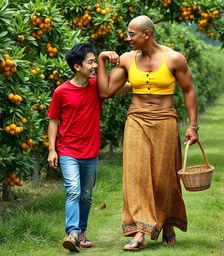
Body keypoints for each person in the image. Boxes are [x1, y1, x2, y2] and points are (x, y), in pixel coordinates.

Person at [97, 15, 199, 250]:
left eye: (131, 34)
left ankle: (167, 221)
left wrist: (193, 125)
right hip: (137, 120)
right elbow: (106, 91)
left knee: (164, 176)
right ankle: (139, 231)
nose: (127, 38)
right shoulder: (127, 59)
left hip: (165, 121)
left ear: (147, 34)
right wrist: (102, 60)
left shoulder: (173, 58)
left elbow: (189, 90)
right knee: (136, 175)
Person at [46, 43, 125, 252]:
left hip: (90, 151)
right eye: (90, 62)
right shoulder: (61, 92)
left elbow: (120, 86)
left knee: (86, 195)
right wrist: (52, 149)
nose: (93, 66)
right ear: (77, 67)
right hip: (68, 150)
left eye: (94, 61)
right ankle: (72, 232)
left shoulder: (97, 88)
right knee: (73, 190)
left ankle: (81, 232)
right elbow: (53, 120)